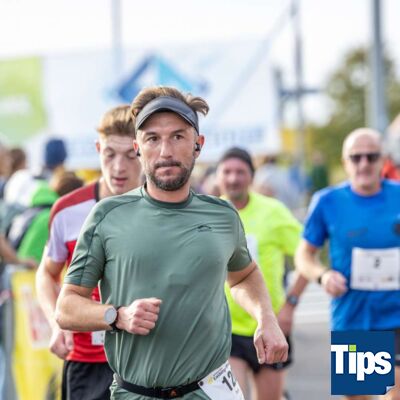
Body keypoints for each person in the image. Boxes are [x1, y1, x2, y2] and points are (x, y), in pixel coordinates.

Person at [55, 86, 288, 400]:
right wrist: (117, 316)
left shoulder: (222, 215)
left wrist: (266, 318)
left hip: (210, 389)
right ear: (138, 147)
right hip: (135, 392)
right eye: (153, 138)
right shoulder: (107, 216)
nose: (165, 151)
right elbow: (66, 307)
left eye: (178, 136)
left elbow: (243, 275)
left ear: (198, 144)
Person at [36, 105, 142, 400]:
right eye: (110, 154)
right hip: (87, 361)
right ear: (98, 149)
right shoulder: (67, 210)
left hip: (145, 359)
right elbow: (46, 273)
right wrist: (56, 324)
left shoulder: (163, 206)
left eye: (130, 155)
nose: (119, 167)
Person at [295, 128, 400, 400]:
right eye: (356, 157)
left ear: (383, 159)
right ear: (345, 162)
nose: (364, 164)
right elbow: (304, 255)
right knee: (357, 396)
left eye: (371, 156)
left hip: (396, 314)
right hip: (354, 316)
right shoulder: (327, 201)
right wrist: (323, 275)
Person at [216, 147, 307, 400]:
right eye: (227, 172)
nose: (233, 178)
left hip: (269, 324)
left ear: (252, 176)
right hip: (226, 329)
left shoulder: (272, 211)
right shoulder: (210, 213)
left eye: (240, 172)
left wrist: (290, 305)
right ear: (218, 176)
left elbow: (306, 256)